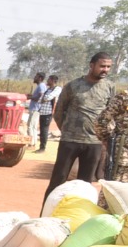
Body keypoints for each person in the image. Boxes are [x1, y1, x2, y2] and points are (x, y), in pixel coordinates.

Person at [45, 52, 116, 198]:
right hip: (70, 141)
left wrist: (104, 138)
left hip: (94, 143)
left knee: (84, 186)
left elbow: (111, 114)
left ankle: (77, 218)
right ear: (91, 66)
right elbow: (59, 111)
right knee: (58, 181)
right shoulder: (73, 86)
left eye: (108, 67)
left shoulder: (109, 87)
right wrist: (66, 131)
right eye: (102, 66)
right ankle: (45, 216)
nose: (105, 70)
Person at [97, 64, 128, 183]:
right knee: (112, 197)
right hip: (122, 161)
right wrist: (107, 141)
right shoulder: (127, 96)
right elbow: (101, 121)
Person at [36, 73, 60, 153]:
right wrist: (43, 99)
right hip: (42, 112)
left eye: (49, 80)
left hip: (49, 113)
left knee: (45, 130)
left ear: (53, 81)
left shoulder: (57, 89)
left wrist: (44, 98)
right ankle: (41, 147)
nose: (47, 81)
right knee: (42, 130)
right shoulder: (48, 89)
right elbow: (41, 99)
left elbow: (48, 97)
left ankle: (43, 148)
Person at [25, 72, 45, 145]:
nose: (34, 78)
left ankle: (31, 143)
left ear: (40, 78)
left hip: (35, 109)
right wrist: (31, 95)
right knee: (33, 126)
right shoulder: (40, 86)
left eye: (36, 77)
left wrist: (30, 97)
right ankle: (33, 142)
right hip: (35, 109)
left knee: (30, 126)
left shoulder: (41, 86)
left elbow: (39, 97)